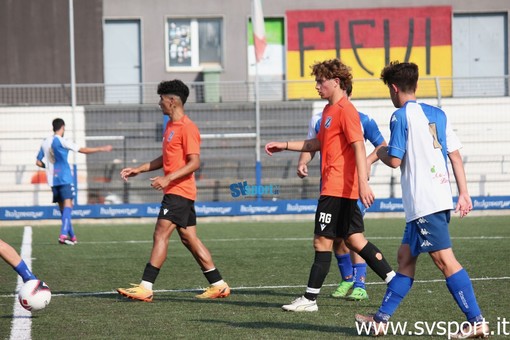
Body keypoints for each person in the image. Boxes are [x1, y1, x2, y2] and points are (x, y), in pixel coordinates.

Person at [355, 61, 488, 338]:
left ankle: (476, 320)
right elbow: (455, 155)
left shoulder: (400, 116)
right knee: (405, 258)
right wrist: (464, 192)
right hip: (435, 198)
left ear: (394, 89)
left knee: (444, 261)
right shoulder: (438, 114)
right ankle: (380, 320)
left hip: (424, 202)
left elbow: (394, 159)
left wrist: (375, 154)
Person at [265, 58, 395, 312]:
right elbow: (317, 144)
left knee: (322, 241)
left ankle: (310, 300)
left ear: (336, 82)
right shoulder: (328, 112)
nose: (317, 86)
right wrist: (285, 145)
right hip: (338, 190)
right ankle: (394, 279)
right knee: (355, 240)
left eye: (320, 81)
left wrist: (362, 183)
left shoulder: (346, 111)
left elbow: (359, 146)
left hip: (336, 189)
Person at [116, 80, 230, 302]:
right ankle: (219, 285)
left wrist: (167, 178)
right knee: (190, 239)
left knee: (160, 233)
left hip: (179, 191)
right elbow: (167, 158)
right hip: (177, 191)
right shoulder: (170, 126)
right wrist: (139, 169)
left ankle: (145, 287)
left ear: (172, 101)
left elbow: (194, 162)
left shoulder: (188, 128)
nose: (159, 103)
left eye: (161, 99)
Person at [297, 84, 387, 301]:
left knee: (352, 236)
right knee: (336, 238)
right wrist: (302, 161)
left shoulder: (361, 118)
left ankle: (360, 283)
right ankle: (347, 278)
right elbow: (313, 145)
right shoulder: (319, 119)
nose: (318, 86)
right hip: (329, 186)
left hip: (351, 188)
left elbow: (382, 146)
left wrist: (365, 162)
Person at [36, 118, 113, 245]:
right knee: (68, 206)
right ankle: (63, 235)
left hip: (52, 179)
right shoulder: (62, 141)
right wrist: (102, 148)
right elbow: (83, 150)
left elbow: (38, 162)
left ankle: (73, 237)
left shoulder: (45, 142)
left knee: (64, 210)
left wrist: (48, 167)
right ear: (63, 127)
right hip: (64, 178)